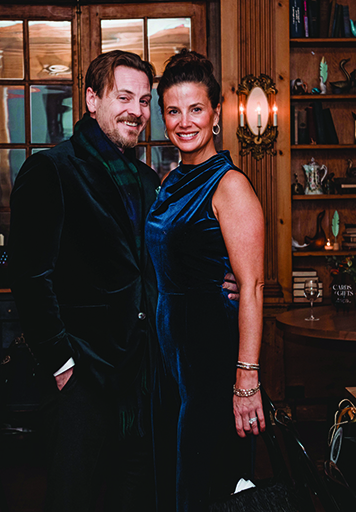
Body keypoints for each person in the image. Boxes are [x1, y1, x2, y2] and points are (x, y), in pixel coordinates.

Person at [9, 50, 239, 511]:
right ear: (92, 100)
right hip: (82, 381)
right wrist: (62, 366)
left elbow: (166, 259)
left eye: (144, 100)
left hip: (145, 382)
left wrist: (221, 276)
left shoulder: (150, 181)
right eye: (124, 97)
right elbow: (30, 279)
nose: (136, 110)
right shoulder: (51, 170)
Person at [144, 50, 266, 511]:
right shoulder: (172, 179)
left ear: (216, 113)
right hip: (172, 361)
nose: (185, 122)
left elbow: (252, 286)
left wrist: (246, 380)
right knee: (178, 483)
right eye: (173, 111)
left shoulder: (229, 185)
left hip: (212, 359)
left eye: (196, 109)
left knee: (208, 487)